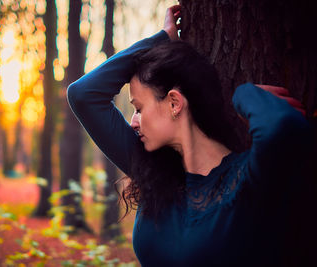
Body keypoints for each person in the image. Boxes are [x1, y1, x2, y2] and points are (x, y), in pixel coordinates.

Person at [67, 5, 314, 266]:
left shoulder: (249, 179)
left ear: (174, 103)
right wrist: (162, 40)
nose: (133, 121)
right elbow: (83, 95)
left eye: (139, 108)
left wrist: (244, 94)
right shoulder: (153, 173)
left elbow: (283, 127)